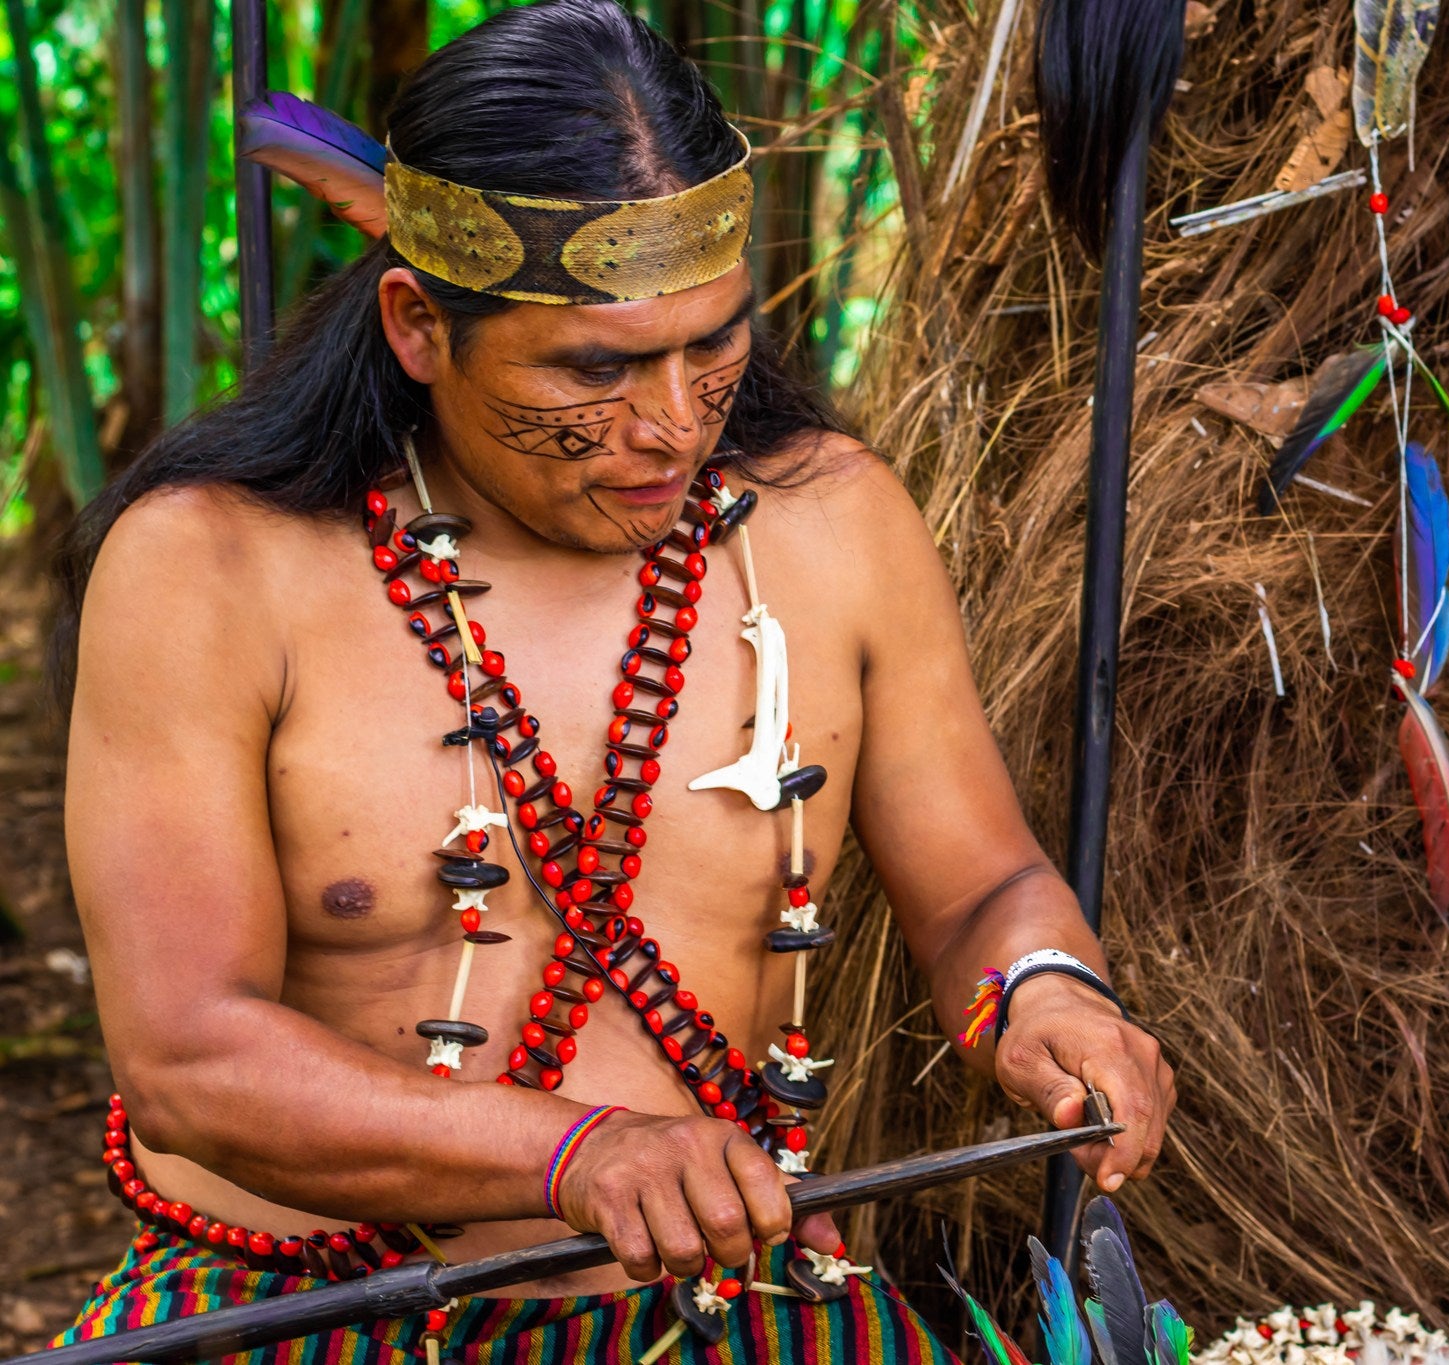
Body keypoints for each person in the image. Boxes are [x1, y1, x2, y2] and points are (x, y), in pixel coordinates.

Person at [47, 2, 1176, 1358]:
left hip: (720, 1316)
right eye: (597, 367)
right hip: (288, 1310)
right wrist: (575, 1148)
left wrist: (1045, 986)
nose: (673, 424)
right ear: (418, 323)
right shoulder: (209, 568)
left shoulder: (831, 525)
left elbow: (982, 887)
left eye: (714, 345)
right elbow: (189, 1058)